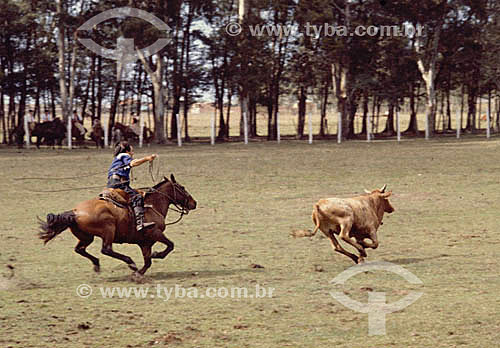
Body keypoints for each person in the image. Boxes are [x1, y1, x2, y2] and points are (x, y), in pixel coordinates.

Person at [107, 141, 157, 232]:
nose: (133, 153)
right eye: (132, 151)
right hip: (119, 182)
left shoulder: (118, 158)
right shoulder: (124, 156)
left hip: (113, 182)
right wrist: (146, 158)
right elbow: (133, 163)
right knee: (137, 196)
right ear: (127, 151)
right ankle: (140, 223)